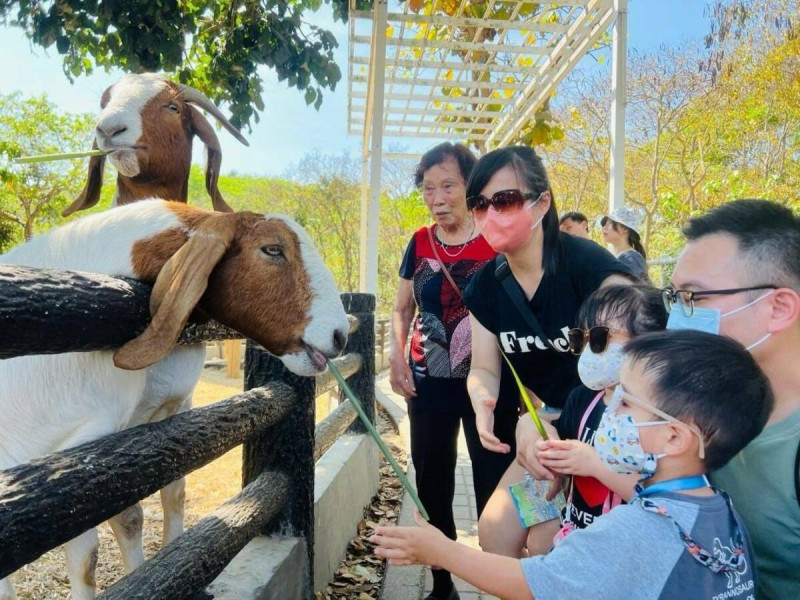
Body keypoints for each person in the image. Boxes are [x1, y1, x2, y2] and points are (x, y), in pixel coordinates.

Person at [371, 330, 772, 600]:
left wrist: (440, 550)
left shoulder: (637, 528)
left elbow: (533, 584)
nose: (611, 410)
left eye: (627, 402)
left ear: (674, 437)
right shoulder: (725, 513)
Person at [460, 146, 632, 556]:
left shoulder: (590, 268)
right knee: (495, 534)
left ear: (542, 202)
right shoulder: (485, 287)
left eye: (505, 200)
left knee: (545, 544)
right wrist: (485, 399)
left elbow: (642, 356)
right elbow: (484, 366)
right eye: (479, 204)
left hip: (611, 431)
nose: (492, 214)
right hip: (548, 430)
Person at [665, 198, 800, 599]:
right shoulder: (691, 401)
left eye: (695, 298)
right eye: (673, 299)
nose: (677, 319)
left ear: (778, 307)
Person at [389, 142, 504, 600]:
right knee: (432, 480)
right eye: (428, 188)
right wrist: (398, 358)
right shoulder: (418, 242)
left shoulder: (495, 240)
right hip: (428, 381)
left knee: (492, 482)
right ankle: (442, 585)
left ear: (470, 187)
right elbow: (401, 308)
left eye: (448, 186)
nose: (436, 198)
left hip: (489, 386)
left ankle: (495, 578)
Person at [601, 206, 651, 282]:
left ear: (625, 229)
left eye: (609, 224)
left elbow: (637, 291)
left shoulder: (633, 260)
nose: (604, 228)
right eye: (604, 225)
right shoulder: (616, 257)